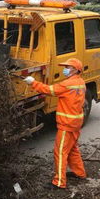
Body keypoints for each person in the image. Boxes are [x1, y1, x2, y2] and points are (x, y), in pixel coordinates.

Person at [23, 58, 87, 189]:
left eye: (68, 67)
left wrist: (33, 82)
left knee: (60, 152)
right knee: (73, 149)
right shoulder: (81, 83)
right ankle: (79, 173)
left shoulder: (67, 85)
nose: (65, 69)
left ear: (75, 69)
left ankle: (59, 182)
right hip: (76, 122)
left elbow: (49, 90)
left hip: (67, 124)